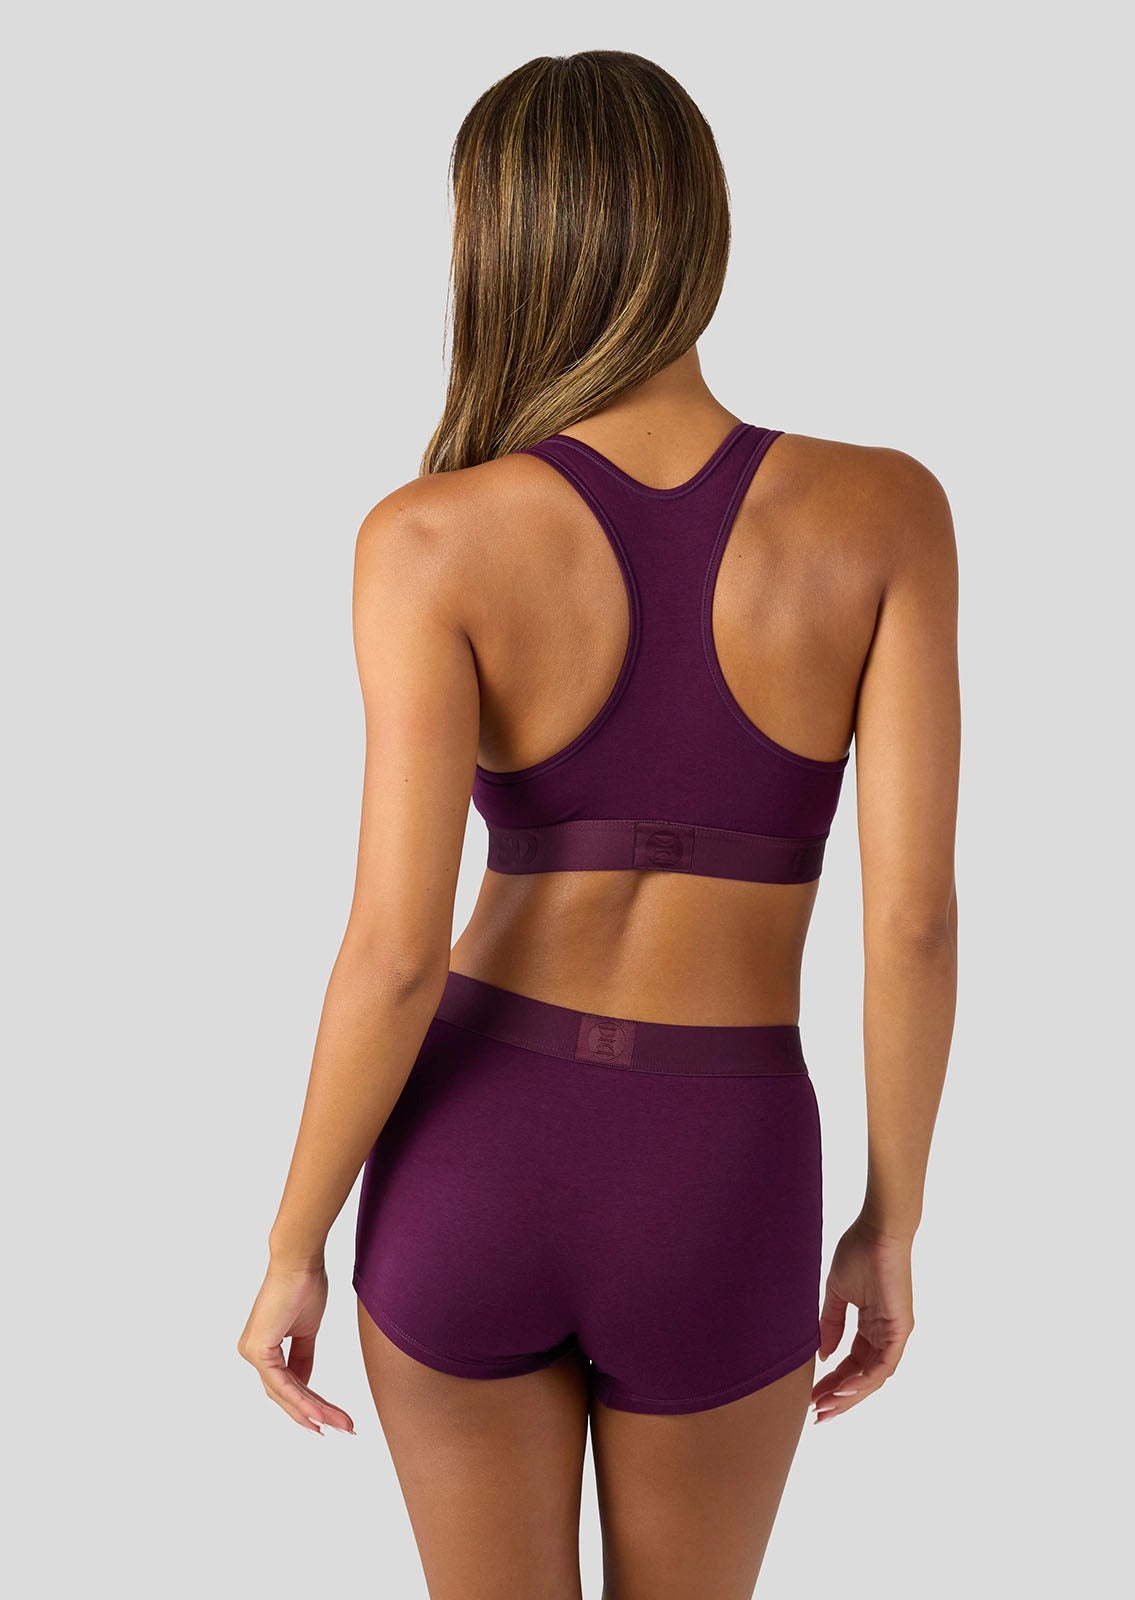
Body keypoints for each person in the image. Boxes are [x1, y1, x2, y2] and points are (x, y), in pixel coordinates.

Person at [238, 48, 959, 1600]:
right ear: (699, 225)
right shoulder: (885, 512)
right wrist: (891, 1220)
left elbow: (392, 951)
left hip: (476, 1155)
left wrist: (295, 1243)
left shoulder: (428, 537)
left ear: (495, 247)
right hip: (723, 1167)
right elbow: (911, 921)